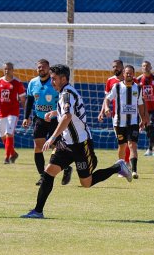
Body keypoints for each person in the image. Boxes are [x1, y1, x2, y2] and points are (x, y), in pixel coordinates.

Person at [21, 64, 132, 219]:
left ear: (63, 79)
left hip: (81, 144)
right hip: (65, 144)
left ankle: (117, 167)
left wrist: (52, 137)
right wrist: (54, 113)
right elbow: (67, 113)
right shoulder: (63, 93)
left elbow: (67, 117)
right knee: (48, 173)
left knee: (86, 183)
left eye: (54, 79)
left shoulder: (67, 94)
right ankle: (38, 211)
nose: (52, 81)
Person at [23, 59, 72, 186]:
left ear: (48, 68)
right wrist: (26, 117)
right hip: (39, 119)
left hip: (55, 120)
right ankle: (42, 176)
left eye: (43, 67)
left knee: (57, 146)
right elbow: (29, 100)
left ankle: (66, 167)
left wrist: (55, 112)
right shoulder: (33, 83)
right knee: (38, 146)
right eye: (39, 67)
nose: (41, 69)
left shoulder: (55, 83)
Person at [102, 65, 147, 179]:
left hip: (133, 122)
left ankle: (134, 170)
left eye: (130, 73)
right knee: (122, 146)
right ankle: (121, 169)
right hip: (119, 122)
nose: (128, 75)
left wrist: (143, 118)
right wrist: (106, 108)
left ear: (133, 74)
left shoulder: (138, 88)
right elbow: (107, 98)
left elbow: (141, 104)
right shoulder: (116, 87)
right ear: (123, 73)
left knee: (132, 145)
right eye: (126, 73)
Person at [0, 62, 26, 164]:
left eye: (9, 69)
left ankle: (7, 158)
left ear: (12, 70)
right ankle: (13, 153)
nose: (7, 71)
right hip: (2, 113)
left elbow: (23, 99)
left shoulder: (17, 83)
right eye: (5, 69)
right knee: (3, 136)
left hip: (13, 113)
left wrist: (26, 114)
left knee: (9, 133)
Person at [98, 59, 131, 167]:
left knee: (128, 141)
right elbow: (106, 98)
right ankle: (125, 162)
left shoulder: (131, 80)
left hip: (131, 115)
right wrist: (102, 111)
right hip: (116, 116)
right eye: (113, 67)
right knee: (122, 141)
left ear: (122, 67)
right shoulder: (110, 81)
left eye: (116, 66)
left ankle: (126, 162)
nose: (114, 68)